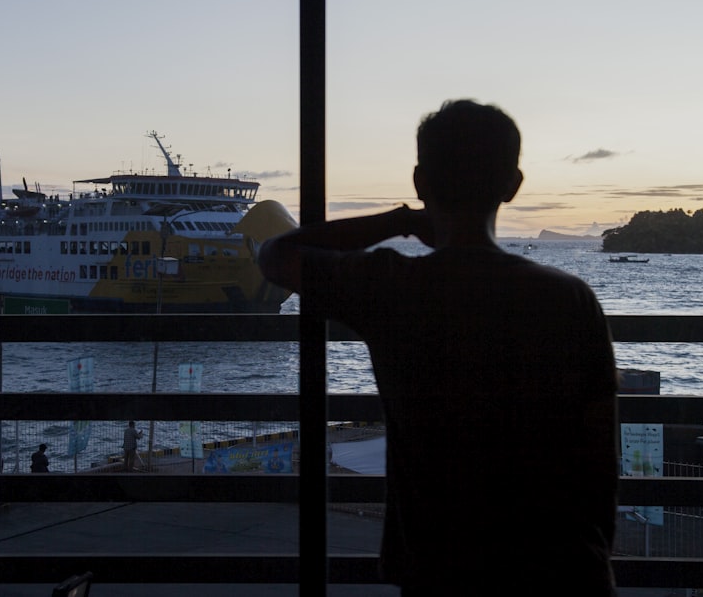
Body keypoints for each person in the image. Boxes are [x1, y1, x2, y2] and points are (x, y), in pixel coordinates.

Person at [258, 99, 620, 594]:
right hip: (562, 568)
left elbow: (276, 255)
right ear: (513, 185)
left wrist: (399, 221)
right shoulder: (569, 298)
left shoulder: (392, 286)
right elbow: (599, 457)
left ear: (420, 180)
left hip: (440, 567)